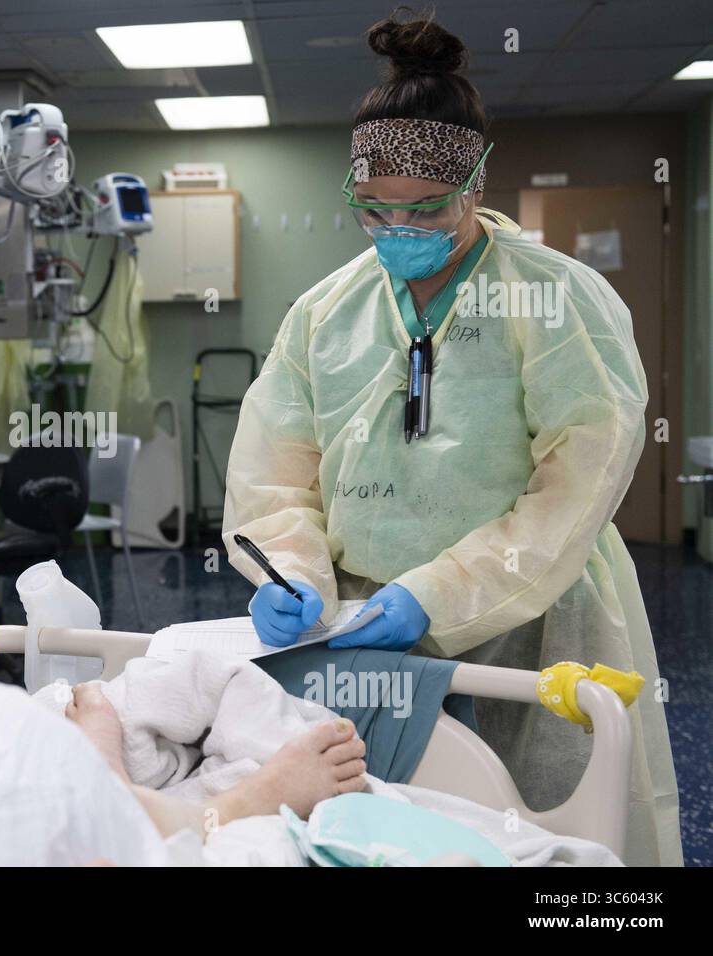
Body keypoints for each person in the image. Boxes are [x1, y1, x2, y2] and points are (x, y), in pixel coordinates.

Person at [222, 11, 680, 866]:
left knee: (550, 841)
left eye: (426, 208)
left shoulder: (556, 301)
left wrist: (442, 592)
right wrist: (290, 572)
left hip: (534, 625)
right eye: (374, 209)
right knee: (379, 833)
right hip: (361, 627)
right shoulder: (327, 312)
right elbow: (277, 473)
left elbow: (577, 480)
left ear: (476, 182)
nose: (400, 229)